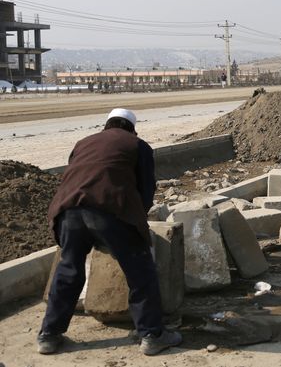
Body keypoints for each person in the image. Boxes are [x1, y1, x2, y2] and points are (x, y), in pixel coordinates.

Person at [37, 108, 182, 356]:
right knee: (140, 273)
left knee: (68, 271)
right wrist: (135, 225)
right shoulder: (137, 145)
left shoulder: (83, 143)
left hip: (67, 211)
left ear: (106, 126)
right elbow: (145, 189)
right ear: (132, 128)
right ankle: (152, 335)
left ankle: (49, 336)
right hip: (109, 210)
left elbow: (75, 176)